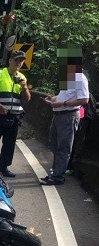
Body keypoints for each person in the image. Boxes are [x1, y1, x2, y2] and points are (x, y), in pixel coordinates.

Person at [41, 49, 89, 186]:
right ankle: (54, 172)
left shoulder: (80, 77)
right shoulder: (69, 77)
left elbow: (84, 100)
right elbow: (65, 95)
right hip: (58, 115)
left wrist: (63, 103)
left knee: (63, 148)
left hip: (68, 116)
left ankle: (58, 177)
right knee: (55, 145)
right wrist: (54, 99)